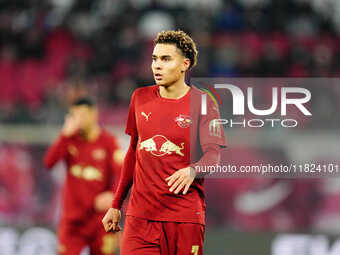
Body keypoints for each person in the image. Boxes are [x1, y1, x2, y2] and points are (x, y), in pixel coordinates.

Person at [102, 30, 226, 255]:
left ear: (184, 64)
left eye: (165, 59)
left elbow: (213, 155)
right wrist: (115, 205)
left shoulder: (204, 103)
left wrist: (193, 170)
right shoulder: (139, 98)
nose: (156, 65)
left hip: (184, 218)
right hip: (140, 218)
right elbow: (133, 152)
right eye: (154, 59)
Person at [44, 98, 123, 255]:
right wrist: (64, 135)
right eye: (75, 115)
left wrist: (113, 195)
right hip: (73, 221)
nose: (78, 119)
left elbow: (122, 173)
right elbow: (49, 162)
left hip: (100, 220)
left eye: (82, 114)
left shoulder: (108, 141)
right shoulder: (69, 140)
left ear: (94, 115)